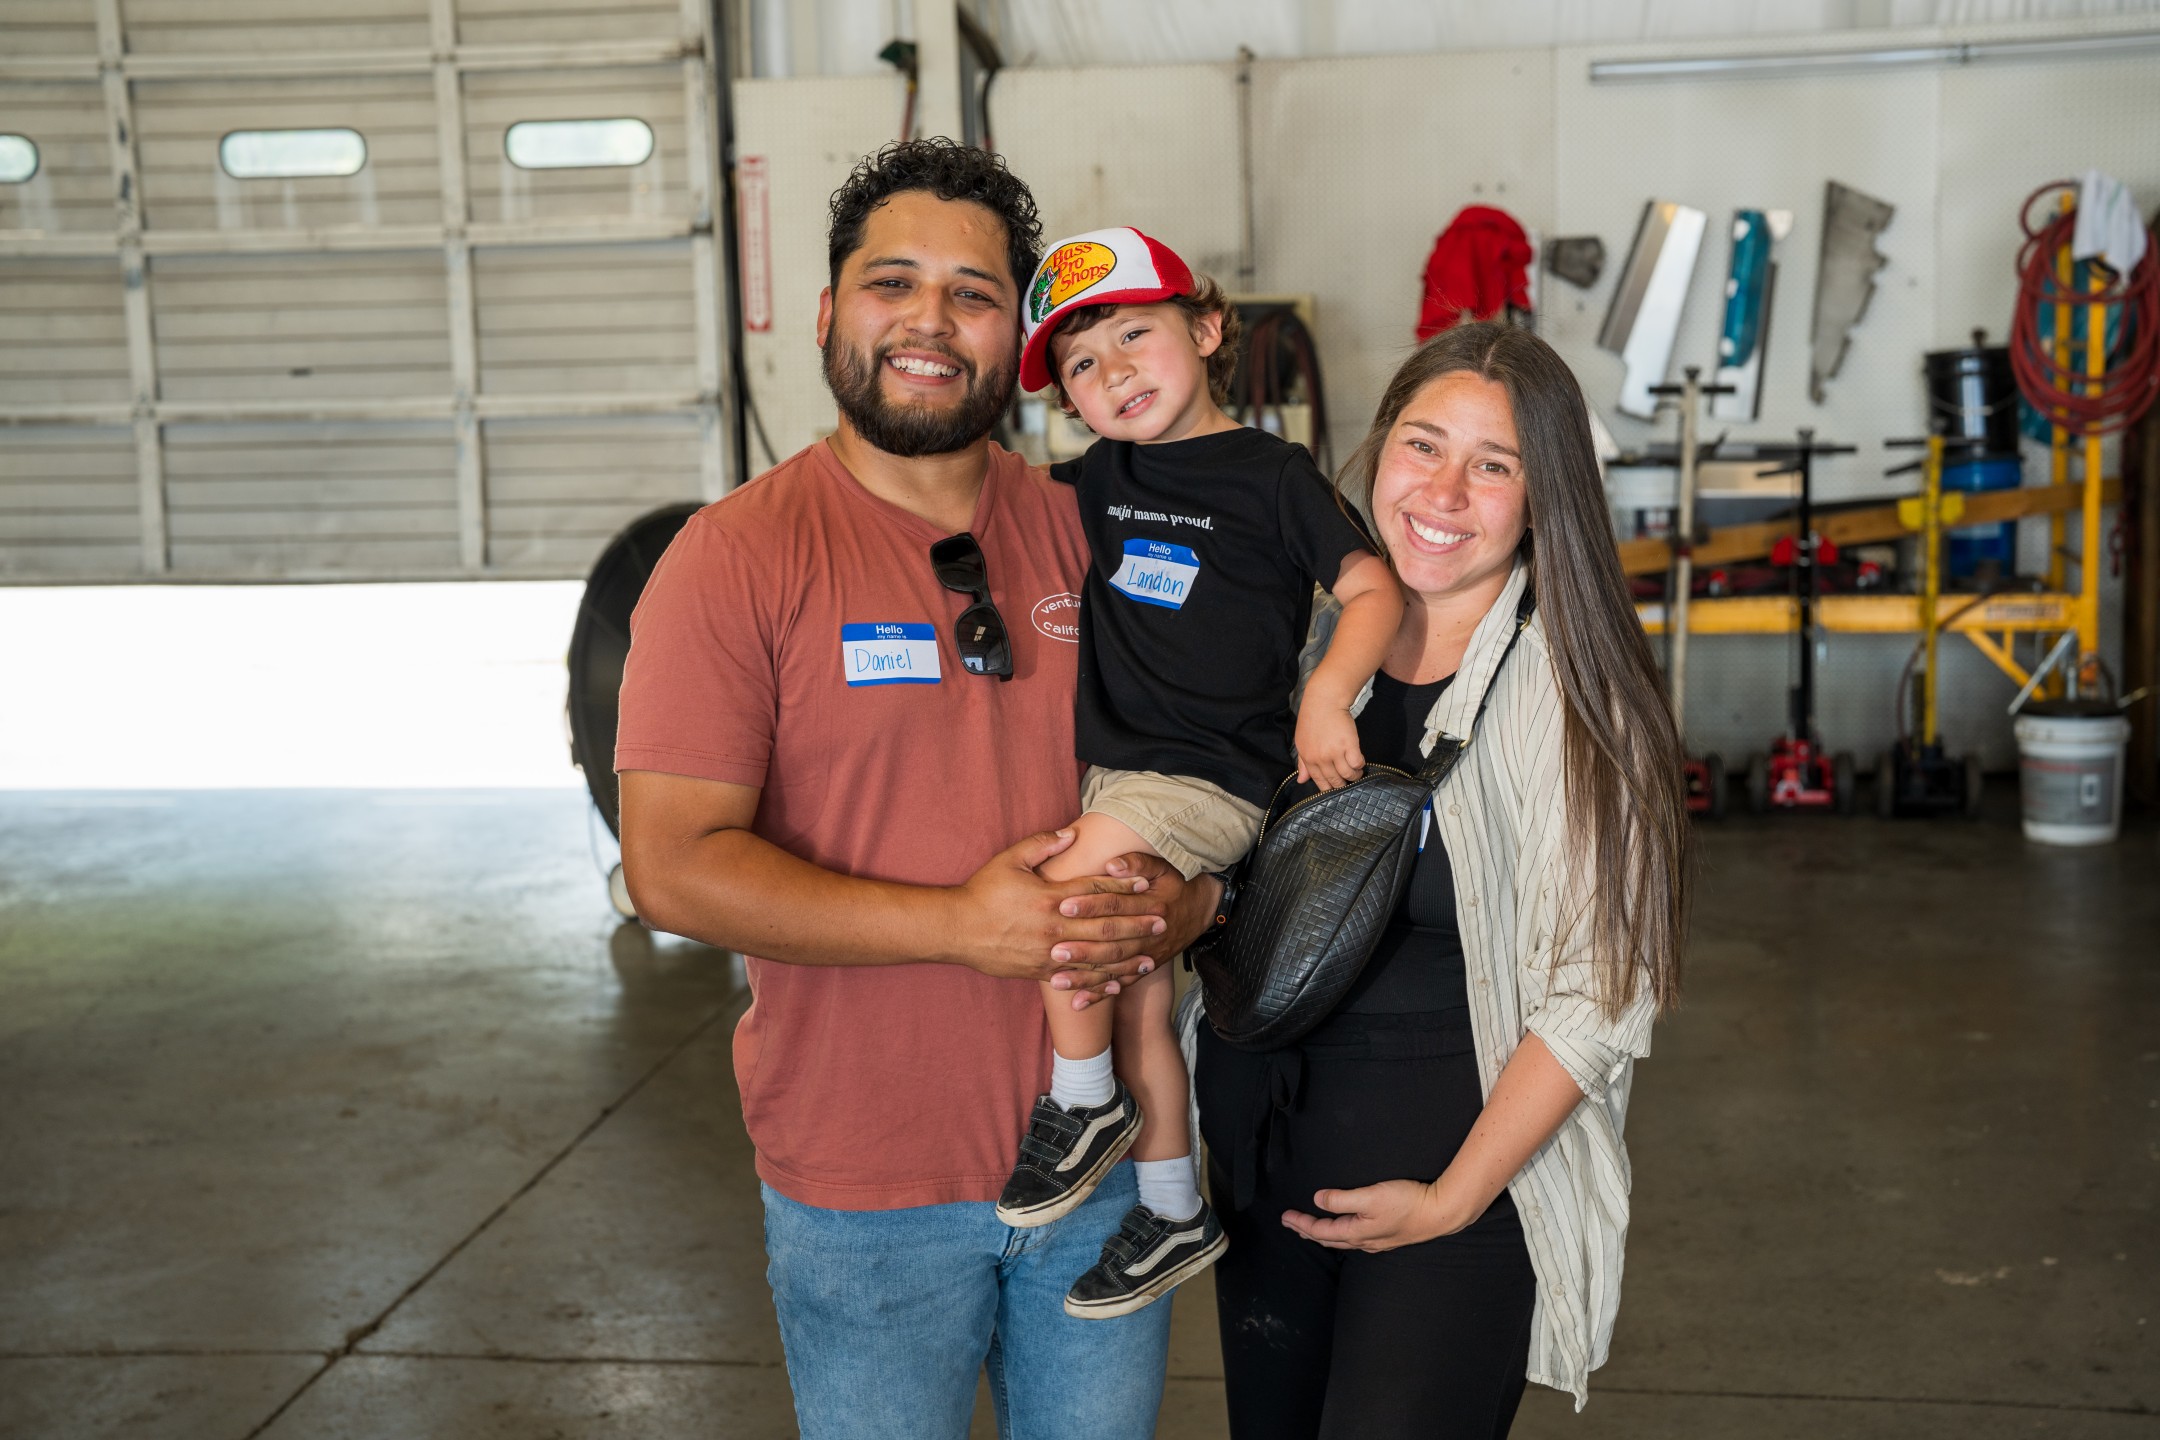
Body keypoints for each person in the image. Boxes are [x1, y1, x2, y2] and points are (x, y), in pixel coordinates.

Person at [614, 139, 1218, 1440]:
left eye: (974, 293)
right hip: (865, 1197)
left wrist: (1190, 905)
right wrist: (961, 924)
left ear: (1021, 340)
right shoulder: (734, 560)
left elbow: (1220, 762)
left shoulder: (1096, 529)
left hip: (1105, 1172)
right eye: (894, 283)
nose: (929, 322)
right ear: (832, 314)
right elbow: (672, 861)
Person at [1191, 322, 1692, 1437]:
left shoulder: (1576, 698)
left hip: (1454, 1208)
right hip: (1268, 1175)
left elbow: (1602, 989)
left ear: (1542, 496)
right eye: (1423, 445)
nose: (1445, 491)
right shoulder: (1304, 639)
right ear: (1378, 453)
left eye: (1494, 464)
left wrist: (1453, 1201)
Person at [992, 226, 1402, 1322]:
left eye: (1137, 334)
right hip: (1121, 777)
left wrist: (1324, 698)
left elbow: (1373, 591)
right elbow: (987, 495)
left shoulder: (1274, 476)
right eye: (1083, 363)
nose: (1114, 371)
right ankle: (1174, 1205)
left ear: (1208, 329)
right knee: (1132, 997)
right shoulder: (1099, 477)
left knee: (1063, 909)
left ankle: (1080, 1106)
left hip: (1205, 776)